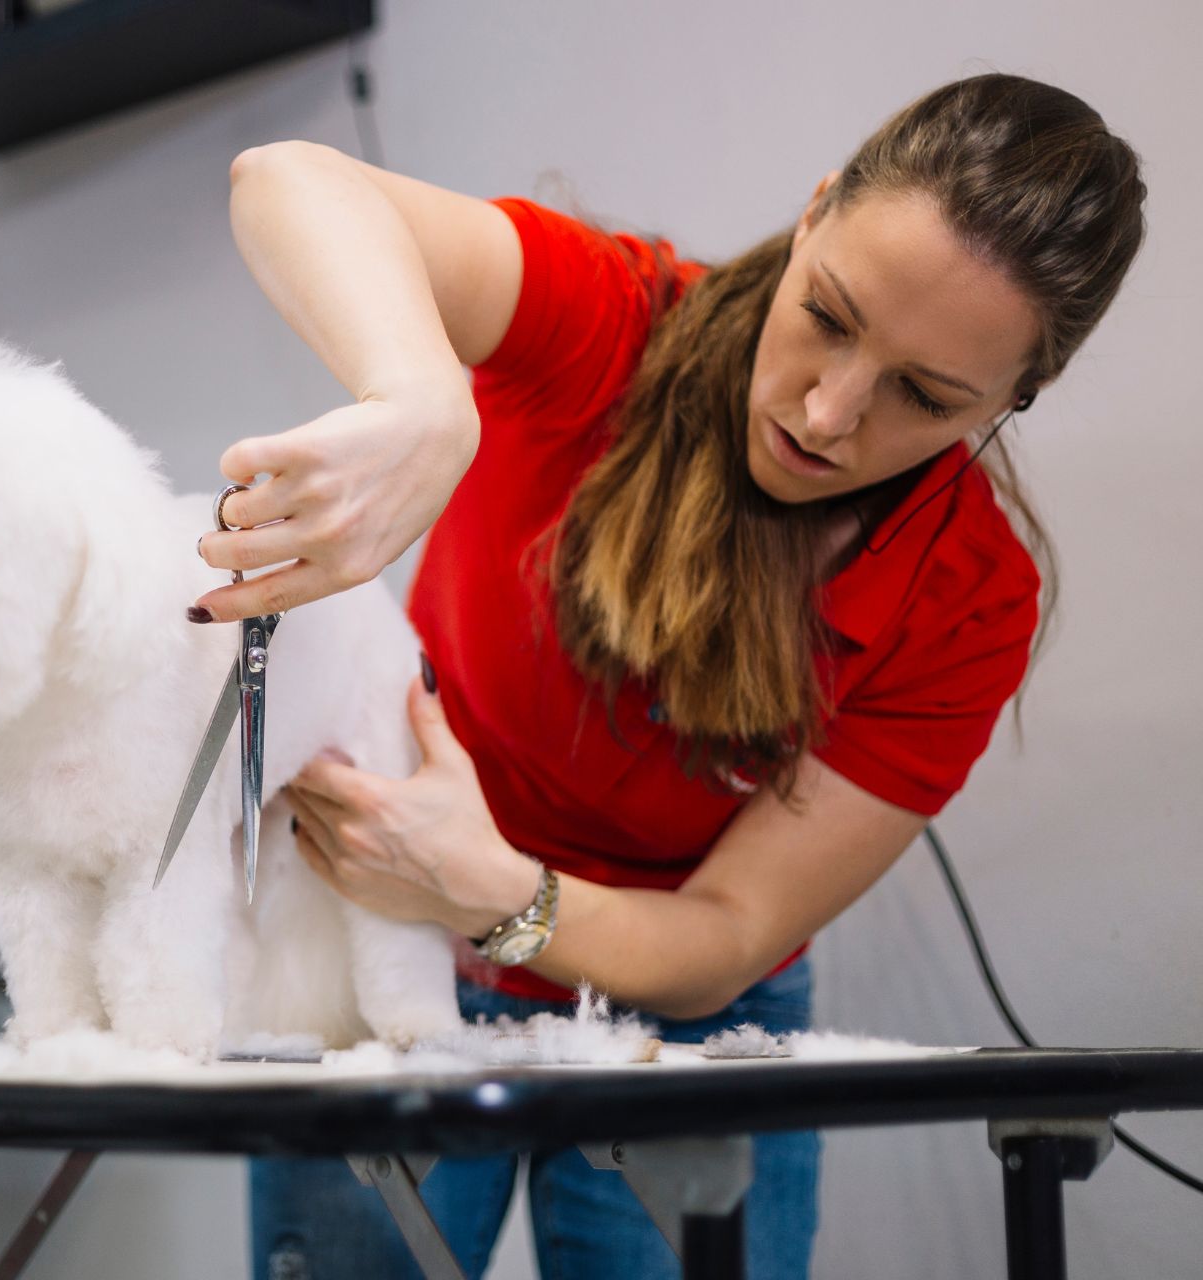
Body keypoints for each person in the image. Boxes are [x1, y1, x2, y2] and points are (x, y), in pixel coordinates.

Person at [190, 74, 1147, 1279]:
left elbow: (730, 929)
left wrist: (492, 890)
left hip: (680, 1019)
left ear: (1016, 396)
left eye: (924, 395)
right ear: (813, 217)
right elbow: (284, 180)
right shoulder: (610, 321)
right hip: (385, 946)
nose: (827, 409)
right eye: (830, 314)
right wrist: (424, 400)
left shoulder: (970, 594)